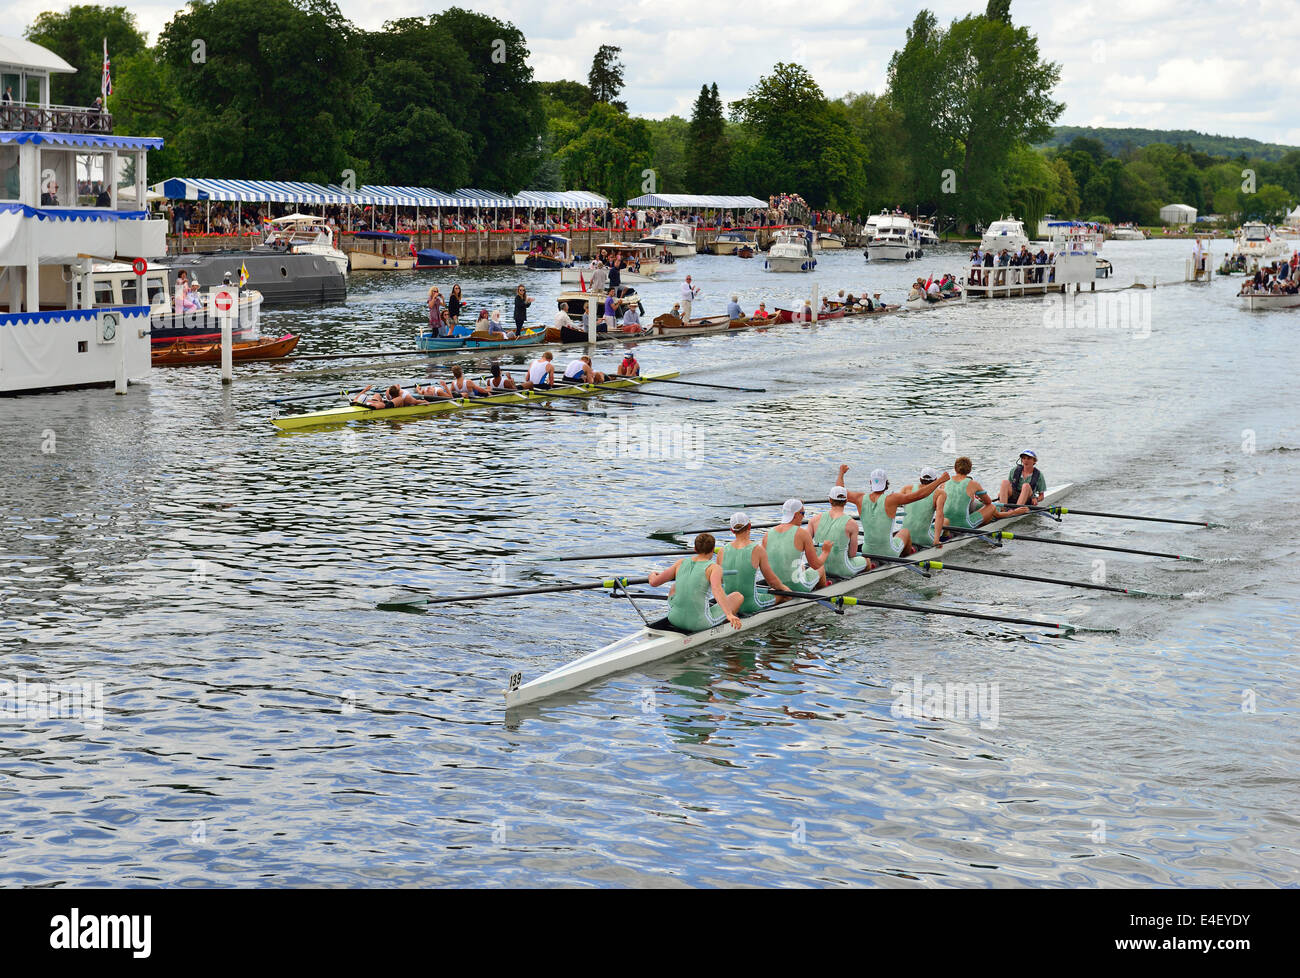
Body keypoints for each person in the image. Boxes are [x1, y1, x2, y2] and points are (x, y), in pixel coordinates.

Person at [840, 464, 949, 562]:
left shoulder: (859, 498)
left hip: (866, 550)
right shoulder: (893, 499)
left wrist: (841, 474)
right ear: (886, 483)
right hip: (889, 552)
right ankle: (907, 556)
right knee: (905, 532)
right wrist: (939, 481)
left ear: (870, 482)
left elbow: (839, 491)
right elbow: (920, 495)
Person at [648, 533, 743, 633]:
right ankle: (723, 627)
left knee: (674, 587)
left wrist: (652, 575)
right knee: (738, 596)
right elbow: (717, 590)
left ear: (695, 549)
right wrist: (729, 614)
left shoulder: (680, 563)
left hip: (674, 619)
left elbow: (654, 582)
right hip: (699, 623)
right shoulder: (714, 568)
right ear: (712, 549)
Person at [939, 456, 1027, 540]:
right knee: (992, 507)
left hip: (944, 523)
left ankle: (945, 532)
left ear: (955, 469)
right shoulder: (973, 483)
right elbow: (988, 502)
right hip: (964, 525)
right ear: (969, 470)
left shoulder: (944, 484)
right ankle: (982, 526)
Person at [762, 498, 833, 597]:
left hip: (775, 586)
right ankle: (822, 592)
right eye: (803, 513)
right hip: (796, 587)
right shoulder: (802, 533)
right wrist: (826, 551)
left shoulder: (767, 535)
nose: (804, 517)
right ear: (796, 515)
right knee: (820, 568)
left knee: (802, 565)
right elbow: (815, 565)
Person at [721, 513, 781, 615]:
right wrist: (785, 589)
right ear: (749, 526)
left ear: (732, 530)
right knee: (782, 596)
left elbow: (721, 581)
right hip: (751, 604)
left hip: (729, 603)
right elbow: (772, 582)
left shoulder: (722, 551)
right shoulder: (757, 549)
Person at [809, 485, 867, 580]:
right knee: (867, 560)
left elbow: (806, 547)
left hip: (818, 568)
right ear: (846, 501)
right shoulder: (852, 523)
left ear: (830, 500)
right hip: (843, 570)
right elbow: (852, 554)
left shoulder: (814, 520)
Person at [900, 467, 946, 551]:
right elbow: (939, 515)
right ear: (935, 480)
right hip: (924, 539)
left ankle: (906, 547)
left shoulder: (907, 489)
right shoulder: (940, 493)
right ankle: (944, 539)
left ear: (920, 479)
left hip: (904, 537)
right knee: (946, 521)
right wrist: (936, 540)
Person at [351, 384, 420, 409]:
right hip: (386, 406)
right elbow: (378, 406)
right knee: (400, 398)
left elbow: (357, 397)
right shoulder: (376, 406)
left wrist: (365, 390)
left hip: (376, 402)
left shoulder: (356, 401)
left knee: (377, 395)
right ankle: (401, 408)